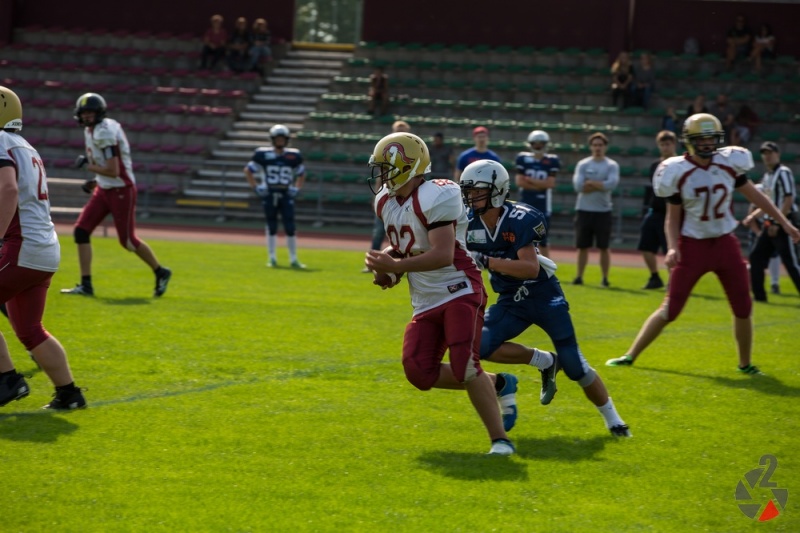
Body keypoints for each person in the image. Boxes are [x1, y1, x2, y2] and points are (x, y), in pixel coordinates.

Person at [607, 114, 800, 373]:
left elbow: (758, 196)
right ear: (690, 141)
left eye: (712, 138)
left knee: (743, 306)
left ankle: (745, 364)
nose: (708, 144)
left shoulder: (729, 163)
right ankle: (630, 355)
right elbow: (672, 218)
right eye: (702, 139)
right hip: (692, 246)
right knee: (671, 308)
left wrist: (785, 223)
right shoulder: (676, 170)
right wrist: (673, 246)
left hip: (725, 243)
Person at [363, 132, 515, 455]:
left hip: (459, 288)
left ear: (408, 166)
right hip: (425, 299)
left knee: (465, 367)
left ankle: (500, 440)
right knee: (418, 370)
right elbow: (406, 249)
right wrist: (385, 269)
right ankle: (498, 383)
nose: (382, 176)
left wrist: (397, 265)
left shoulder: (437, 194)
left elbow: (442, 254)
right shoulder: (386, 202)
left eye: (387, 167)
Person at [460, 159, 631, 438]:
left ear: (497, 190)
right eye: (468, 191)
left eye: (477, 190)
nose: (471, 196)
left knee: (576, 367)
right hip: (511, 300)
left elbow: (530, 267)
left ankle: (614, 420)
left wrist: (487, 261)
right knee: (480, 345)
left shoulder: (520, 218)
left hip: (544, 295)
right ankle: (545, 362)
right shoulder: (468, 223)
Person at [0, 86, 87, 410]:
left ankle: (8, 381)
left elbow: (8, 190)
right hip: (43, 250)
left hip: (21, 247)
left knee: (29, 328)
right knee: (30, 329)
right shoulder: (24, 145)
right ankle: (69, 394)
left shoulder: (0, 142)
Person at [62, 93, 172, 297]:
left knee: (128, 241)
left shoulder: (105, 132)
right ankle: (86, 285)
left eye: (91, 113)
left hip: (121, 189)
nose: (87, 117)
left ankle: (161, 271)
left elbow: (113, 170)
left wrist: (88, 166)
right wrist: (96, 181)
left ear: (100, 113)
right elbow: (107, 168)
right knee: (81, 232)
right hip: (105, 188)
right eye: (84, 113)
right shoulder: (92, 130)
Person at [744, 141, 800, 302]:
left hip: (783, 222)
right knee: (756, 257)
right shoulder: (768, 176)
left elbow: (788, 199)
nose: (767, 156)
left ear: (777, 154)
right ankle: (759, 296)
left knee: (790, 263)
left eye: (770, 153)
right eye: (764, 153)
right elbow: (768, 204)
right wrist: (753, 216)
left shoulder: (783, 172)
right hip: (771, 223)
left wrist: (778, 223)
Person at [244, 124, 306, 268]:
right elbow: (248, 170)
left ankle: (293, 258)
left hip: (285, 193)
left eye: (282, 138)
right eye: (277, 138)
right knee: (271, 226)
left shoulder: (293, 155)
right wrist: (256, 187)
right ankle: (272, 257)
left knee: (290, 226)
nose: (280, 141)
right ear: (272, 139)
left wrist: (296, 189)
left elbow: (301, 173)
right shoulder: (262, 154)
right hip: (270, 192)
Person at [572, 132, 620, 287]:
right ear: (591, 146)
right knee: (582, 247)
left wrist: (590, 183)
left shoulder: (611, 165)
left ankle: (605, 278)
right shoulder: (583, 164)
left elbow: (611, 185)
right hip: (584, 210)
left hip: (603, 211)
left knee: (604, 247)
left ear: (605, 147)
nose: (597, 148)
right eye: (595, 145)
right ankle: (579, 276)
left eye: (600, 145)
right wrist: (600, 184)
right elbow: (578, 186)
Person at [362, 120, 410, 273]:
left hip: (406, 198)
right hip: (388, 196)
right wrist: (376, 196)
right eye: (397, 129)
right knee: (378, 232)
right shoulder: (386, 151)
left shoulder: (412, 151)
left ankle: (406, 264)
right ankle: (372, 263)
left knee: (407, 232)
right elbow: (380, 176)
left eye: (401, 130)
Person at [638, 130, 678, 289]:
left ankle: (673, 281)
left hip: (672, 211)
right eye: (662, 144)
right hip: (655, 210)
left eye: (668, 144)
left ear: (674, 144)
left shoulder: (681, 163)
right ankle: (654, 276)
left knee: (670, 249)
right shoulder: (656, 165)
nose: (665, 147)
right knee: (645, 246)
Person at [514, 129, 560, 257]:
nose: (538, 146)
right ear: (531, 144)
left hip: (543, 206)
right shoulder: (522, 158)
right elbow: (519, 182)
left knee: (543, 241)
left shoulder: (552, 160)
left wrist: (529, 180)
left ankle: (546, 271)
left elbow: (550, 184)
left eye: (541, 143)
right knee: (522, 239)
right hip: (525, 205)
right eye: (535, 143)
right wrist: (540, 184)